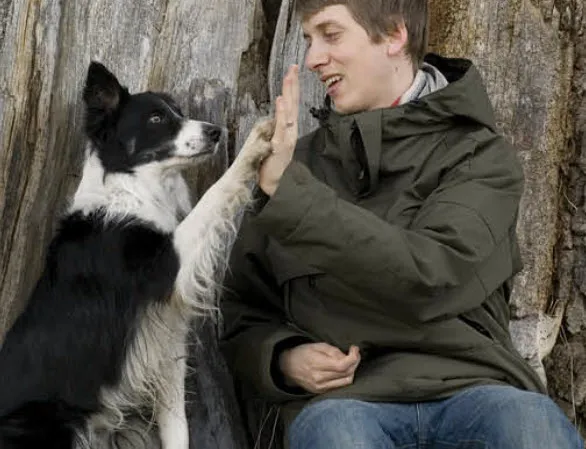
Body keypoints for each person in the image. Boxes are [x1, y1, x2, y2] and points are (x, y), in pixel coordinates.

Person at [220, 1, 584, 448]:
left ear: (394, 36)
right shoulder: (296, 168)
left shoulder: (479, 156)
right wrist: (284, 359)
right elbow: (243, 311)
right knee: (334, 435)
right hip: (346, 403)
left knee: (530, 427)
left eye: (330, 35)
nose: (313, 58)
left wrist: (293, 196)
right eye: (308, 40)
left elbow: (430, 274)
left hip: (474, 386)